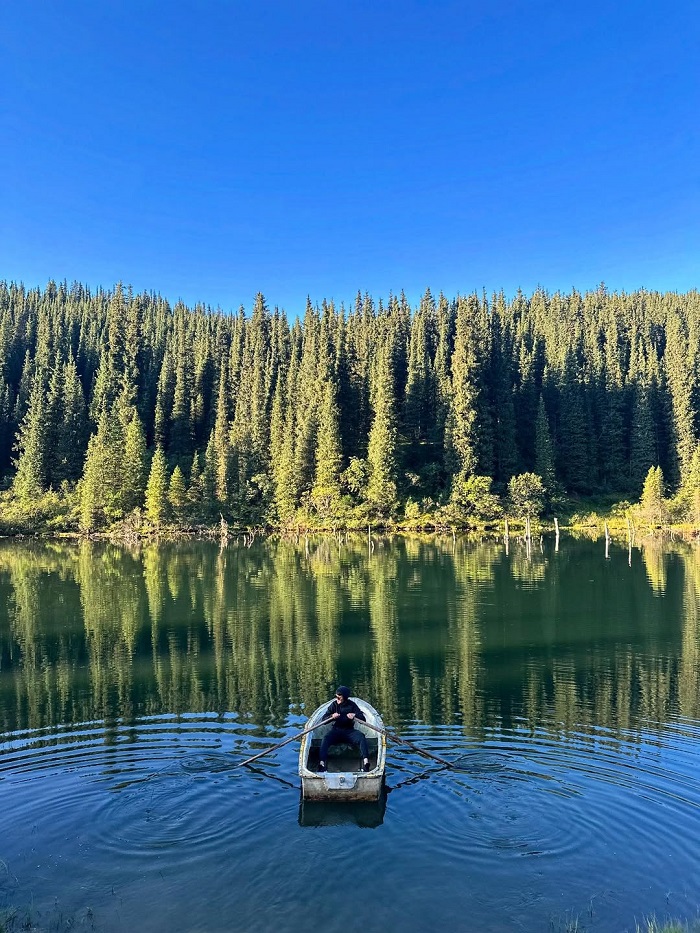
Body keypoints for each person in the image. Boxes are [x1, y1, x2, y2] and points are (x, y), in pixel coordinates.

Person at [318, 686, 370, 773]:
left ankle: (366, 763)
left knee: (361, 737)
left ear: (345, 697)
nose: (337, 698)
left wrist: (355, 715)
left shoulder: (352, 705)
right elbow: (324, 720)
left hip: (349, 731)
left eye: (339, 696)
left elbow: (363, 719)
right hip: (336, 731)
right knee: (325, 738)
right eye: (336, 696)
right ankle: (321, 764)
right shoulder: (334, 705)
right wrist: (331, 716)